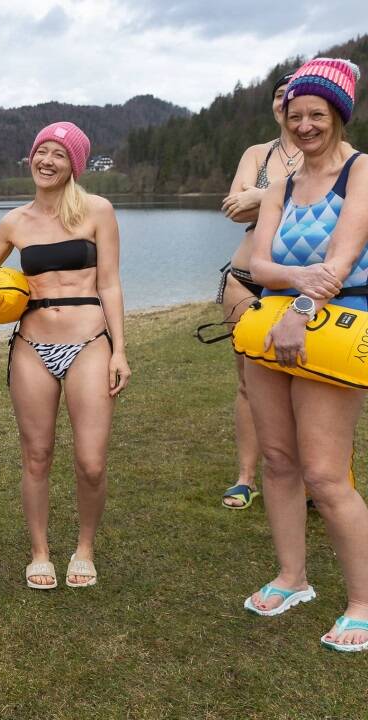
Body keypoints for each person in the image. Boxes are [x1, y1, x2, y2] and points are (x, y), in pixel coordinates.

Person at [0, 121, 130, 591]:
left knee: (91, 462)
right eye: (42, 151)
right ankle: (40, 552)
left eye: (59, 154)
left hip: (89, 342)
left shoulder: (98, 211)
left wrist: (120, 350)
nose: (47, 161)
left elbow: (110, 284)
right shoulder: (14, 222)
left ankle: (84, 548)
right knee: (36, 455)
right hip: (31, 346)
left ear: (74, 165)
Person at [241, 58, 368, 652]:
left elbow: (343, 257)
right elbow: (257, 265)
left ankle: (362, 602)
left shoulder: (361, 171)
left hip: (335, 329)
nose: (305, 125)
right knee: (277, 460)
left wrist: (300, 308)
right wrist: (294, 284)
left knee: (324, 472)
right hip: (272, 325)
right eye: (296, 115)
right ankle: (293, 577)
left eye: (317, 114)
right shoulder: (282, 187)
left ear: (339, 115)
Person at [216, 72, 299, 509]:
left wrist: (260, 196)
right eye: (280, 95)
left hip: (301, 287)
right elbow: (234, 208)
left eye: (295, 94)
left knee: (308, 380)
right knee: (249, 383)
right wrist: (274, 198)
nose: (287, 102)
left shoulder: (332, 156)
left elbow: (330, 203)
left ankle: (311, 476)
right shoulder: (257, 153)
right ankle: (246, 477)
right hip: (244, 279)